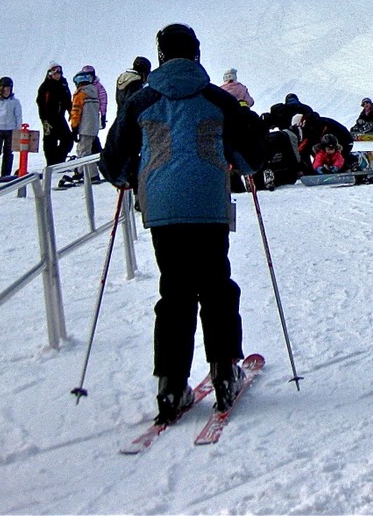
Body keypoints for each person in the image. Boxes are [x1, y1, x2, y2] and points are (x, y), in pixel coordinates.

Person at [100, 22, 266, 421]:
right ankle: (224, 373)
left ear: (160, 55)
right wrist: (241, 164)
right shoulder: (217, 99)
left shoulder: (141, 101)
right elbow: (250, 156)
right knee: (216, 286)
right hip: (209, 205)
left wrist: (126, 176)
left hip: (162, 209)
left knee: (174, 292)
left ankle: (171, 387)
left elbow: (114, 161)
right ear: (196, 53)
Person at [36, 64, 73, 165]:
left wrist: (71, 111)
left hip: (60, 117)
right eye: (54, 73)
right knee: (50, 141)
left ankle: (59, 160)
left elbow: (67, 100)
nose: (57, 75)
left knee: (68, 139)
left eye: (59, 73)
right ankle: (51, 163)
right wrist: (44, 119)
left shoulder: (63, 84)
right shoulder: (45, 87)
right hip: (49, 118)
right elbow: (41, 103)